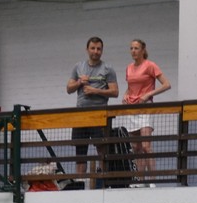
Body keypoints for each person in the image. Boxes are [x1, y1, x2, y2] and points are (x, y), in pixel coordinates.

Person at [113, 39, 171, 184]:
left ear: (143, 50)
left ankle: (152, 181)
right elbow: (130, 87)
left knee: (146, 146)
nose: (133, 51)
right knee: (136, 148)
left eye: (136, 48)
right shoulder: (129, 68)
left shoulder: (150, 65)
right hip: (132, 109)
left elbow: (166, 84)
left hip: (145, 108)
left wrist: (148, 95)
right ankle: (139, 180)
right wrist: (125, 95)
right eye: (131, 48)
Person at [66, 37, 118, 189]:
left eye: (98, 49)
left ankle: (103, 184)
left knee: (101, 149)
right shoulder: (78, 67)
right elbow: (68, 89)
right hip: (81, 116)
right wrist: (79, 83)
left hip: (99, 115)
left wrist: (95, 90)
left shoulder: (108, 69)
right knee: (80, 152)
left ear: (102, 50)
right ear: (87, 49)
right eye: (93, 48)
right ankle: (80, 186)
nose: (96, 51)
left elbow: (115, 92)